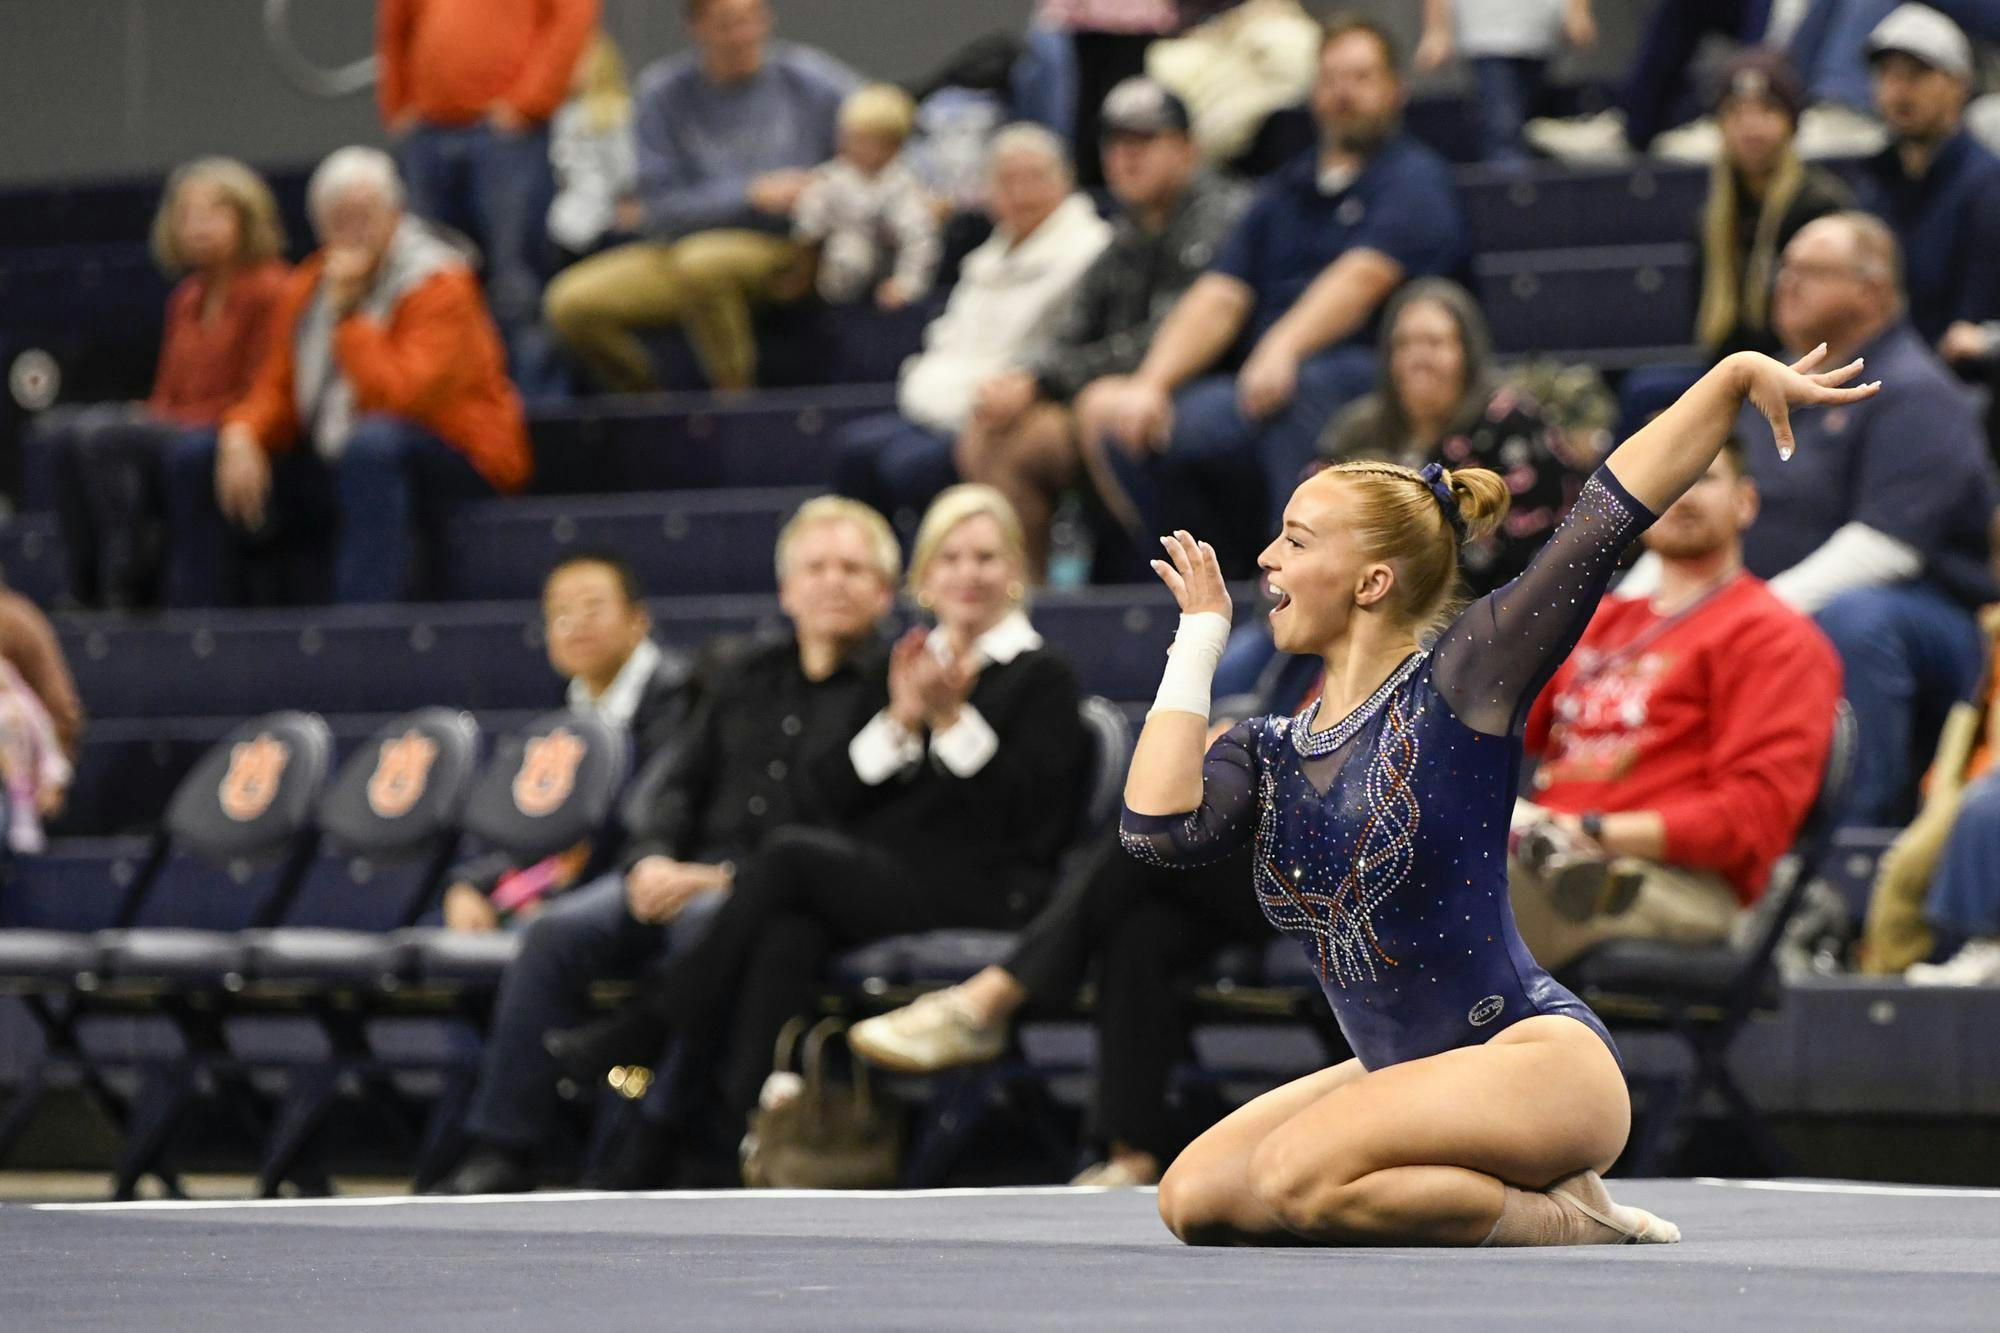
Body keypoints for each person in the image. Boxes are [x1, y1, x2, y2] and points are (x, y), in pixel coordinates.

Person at [1121, 344, 1875, 1247]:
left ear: (1372, 582)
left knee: (1296, 1176)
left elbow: (1603, 516)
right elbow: (1155, 831)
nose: (1265, 556)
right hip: (1404, 1072)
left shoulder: (1461, 681)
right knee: (1195, 1197)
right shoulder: (1271, 746)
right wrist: (1198, 640)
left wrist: (1730, 380)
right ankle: (1434, 1172)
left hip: (1533, 1061)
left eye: (1295, 538)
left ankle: (1572, 1216)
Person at [540, 486, 1088, 1171]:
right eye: (950, 557)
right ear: (926, 577)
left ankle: (648, 1026)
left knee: (789, 856)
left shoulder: (1042, 676)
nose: (968, 573)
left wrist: (951, 722)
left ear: (1016, 570)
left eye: (986, 556)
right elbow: (830, 792)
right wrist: (899, 719)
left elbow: (1025, 820)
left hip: (992, 888)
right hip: (897, 877)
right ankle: (729, 1142)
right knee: (784, 934)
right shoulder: (912, 665)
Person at [432, 497, 900, 1194]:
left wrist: (720, 877)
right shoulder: (740, 672)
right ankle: (500, 1144)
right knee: (555, 932)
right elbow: (669, 785)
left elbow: (858, 832)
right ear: (787, 587)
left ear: (884, 591)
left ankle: (643, 1141)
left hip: (761, 893)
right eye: (817, 566)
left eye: (852, 568)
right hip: (670, 872)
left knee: (711, 929)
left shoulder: (897, 690)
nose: (833, 581)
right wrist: (651, 856)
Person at [848, 650, 1323, 1190]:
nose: (1271, 563)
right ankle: (1132, 1154)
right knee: (1144, 928)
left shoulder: (1405, 672)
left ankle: (989, 1002)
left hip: (1338, 879)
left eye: (1298, 556)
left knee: (1147, 838)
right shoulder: (1292, 668)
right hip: (1254, 865)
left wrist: (1251, 767)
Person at [1080, 16, 1467, 572]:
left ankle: (1291, 585)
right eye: (1332, 79)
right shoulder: (1285, 189)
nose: (1343, 93)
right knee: (1134, 426)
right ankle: (1207, 584)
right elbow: (1219, 293)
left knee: (1299, 391)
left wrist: (1283, 346)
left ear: (1394, 91)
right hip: (1267, 381)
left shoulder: (1413, 178)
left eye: (1360, 78)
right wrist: (1151, 383)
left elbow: (1361, 278)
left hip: (1374, 371)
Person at [1511, 437, 1842, 971]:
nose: (1682, 496)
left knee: (1461, 899)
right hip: (1547, 858)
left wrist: (1588, 831)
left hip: (1676, 885)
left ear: (1746, 501)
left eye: (1704, 478)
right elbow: (1488, 725)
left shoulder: (1776, 638)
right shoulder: (1600, 620)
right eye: (1670, 481)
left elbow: (1750, 819)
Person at [163, 148, 532, 607]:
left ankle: (361, 629)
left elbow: (406, 397)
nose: (353, 231)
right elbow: (276, 386)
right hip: (340, 453)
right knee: (202, 454)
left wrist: (350, 318)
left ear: (395, 216)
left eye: (365, 216)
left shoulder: (440, 281)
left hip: (458, 455)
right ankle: (205, 627)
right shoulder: (310, 284)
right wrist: (243, 432)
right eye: (340, 219)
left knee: (372, 445)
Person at [1733, 212, 1997, 825]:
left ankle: (1855, 845)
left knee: (1857, 619)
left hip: (1932, 619)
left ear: (1872, 290)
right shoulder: (1762, 380)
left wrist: (1748, 620)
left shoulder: (1914, 390)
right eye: (1785, 267)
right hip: (1773, 599)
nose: (1786, 283)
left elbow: (1887, 549)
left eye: (1812, 271)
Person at [953, 78, 1248, 580]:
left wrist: (1046, 380)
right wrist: (1026, 378)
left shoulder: (1220, 213)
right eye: (1116, 144)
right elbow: (1070, 330)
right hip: (1133, 387)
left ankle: (1178, 584)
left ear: (1187, 149)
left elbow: (1171, 332)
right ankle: (1023, 613)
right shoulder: (1126, 230)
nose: (1127, 158)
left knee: (1103, 407)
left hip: (1212, 381)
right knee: (993, 432)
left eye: (1145, 142)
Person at [543, 0, 861, 393]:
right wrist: (751, 195)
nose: (742, 37)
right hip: (675, 250)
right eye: (726, 25)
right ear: (696, 28)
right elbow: (658, 209)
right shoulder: (663, 92)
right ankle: (654, 411)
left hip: (787, 248)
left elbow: (887, 127)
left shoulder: (810, 80)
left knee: (704, 263)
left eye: (750, 21)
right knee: (571, 304)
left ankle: (734, 412)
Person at [832, 126, 1111, 536]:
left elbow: (1048, 347)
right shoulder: (985, 258)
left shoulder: (1090, 250)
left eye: (1034, 178)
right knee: (852, 451)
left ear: (1065, 181)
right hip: (942, 401)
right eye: (1008, 181)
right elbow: (946, 340)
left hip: (1008, 408)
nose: (1022, 193)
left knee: (908, 465)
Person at [39, 158, 289, 609]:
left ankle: (131, 572)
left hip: (231, 428)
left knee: (104, 434)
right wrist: (151, 414)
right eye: (187, 214)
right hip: (179, 423)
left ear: (247, 218)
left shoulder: (271, 289)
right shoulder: (186, 298)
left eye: (213, 213)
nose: (198, 226)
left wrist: (159, 419)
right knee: (57, 433)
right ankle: (84, 582)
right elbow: (168, 391)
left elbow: (264, 391)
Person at [441, 552, 696, 934]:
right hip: (580, 887)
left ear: (638, 621)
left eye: (593, 609)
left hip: (654, 884)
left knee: (542, 935)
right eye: (560, 614)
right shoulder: (566, 712)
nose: (576, 625)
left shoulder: (684, 697)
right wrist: (472, 885)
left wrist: (553, 895)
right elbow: (532, 823)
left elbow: (649, 823)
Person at [1617, 49, 1853, 437]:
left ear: (1791, 123)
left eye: (1766, 111)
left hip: (1799, 367)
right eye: (1736, 113)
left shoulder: (1818, 205)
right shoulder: (1711, 218)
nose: (1751, 126)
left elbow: (1827, 326)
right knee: (1643, 390)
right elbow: (1709, 331)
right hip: (1733, 370)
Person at [1321, 278, 1587, 596]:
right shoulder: (1355, 431)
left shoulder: (1512, 427)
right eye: (1403, 344)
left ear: (1467, 352)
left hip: (1483, 617)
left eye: (1434, 343)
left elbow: (1543, 551)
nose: (1418, 357)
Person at [377, 0, 597, 346]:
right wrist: (397, 102)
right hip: (428, 134)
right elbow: (395, 24)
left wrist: (529, 103)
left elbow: (570, 18)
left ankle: (529, 396)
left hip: (509, 137)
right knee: (430, 278)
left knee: (516, 280)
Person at [1856, 4, 2000, 356]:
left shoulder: (1988, 188)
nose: (1900, 91)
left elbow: (1969, 330)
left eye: (1917, 74)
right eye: (1888, 75)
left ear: (1959, 85)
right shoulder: (1873, 183)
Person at [791, 84, 942, 310]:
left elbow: (919, 242)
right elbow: (809, 224)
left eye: (866, 141)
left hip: (885, 269)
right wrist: (808, 233)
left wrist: (905, 285)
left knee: (854, 253)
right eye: (851, 138)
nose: (854, 147)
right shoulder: (832, 177)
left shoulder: (903, 188)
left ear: (892, 146)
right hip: (834, 271)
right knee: (847, 251)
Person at [1415, 0, 1597, 164]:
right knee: (1503, 132)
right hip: (1488, 34)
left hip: (1542, 31)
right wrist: (1436, 28)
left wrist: (1577, 9)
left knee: (1538, 131)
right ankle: (1511, 192)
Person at [546, 30, 643, 264]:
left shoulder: (618, 112)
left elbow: (627, 167)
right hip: (567, 224)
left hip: (610, 223)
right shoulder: (563, 114)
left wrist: (628, 200)